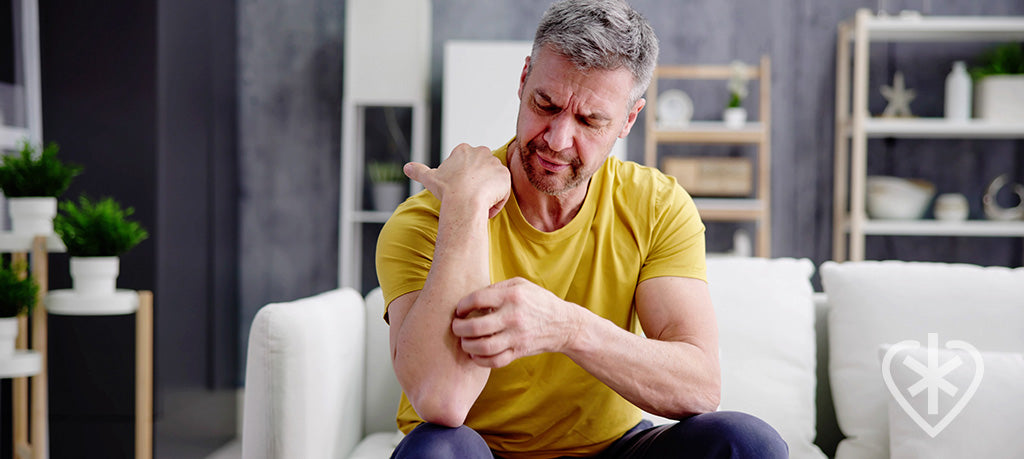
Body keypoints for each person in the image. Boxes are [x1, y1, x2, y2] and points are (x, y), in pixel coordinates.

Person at [376, 1, 788, 457]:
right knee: (435, 453)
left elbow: (699, 387)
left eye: (590, 120)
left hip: (614, 449)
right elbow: (443, 399)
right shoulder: (428, 219)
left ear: (628, 120)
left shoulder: (656, 206)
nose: (556, 139)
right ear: (523, 79)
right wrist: (466, 210)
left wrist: (567, 327)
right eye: (545, 104)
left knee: (748, 444)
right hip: (478, 450)